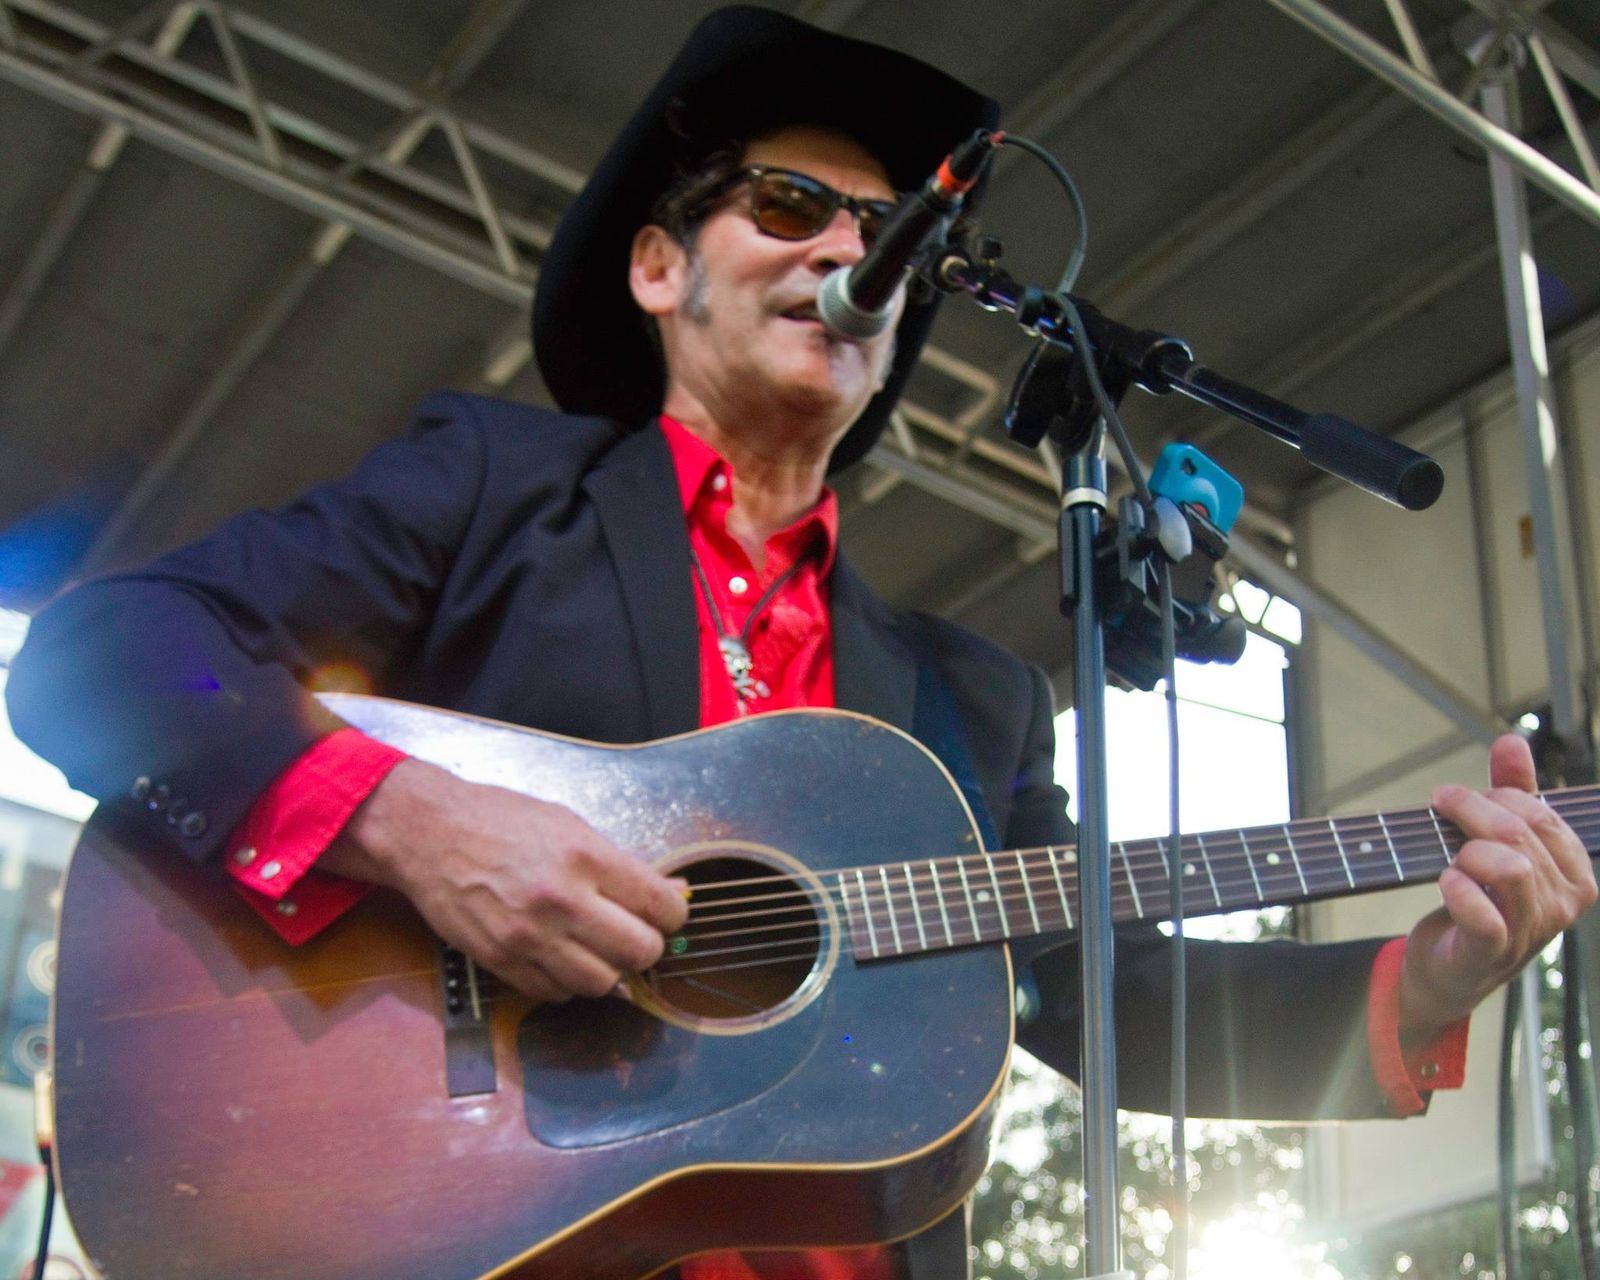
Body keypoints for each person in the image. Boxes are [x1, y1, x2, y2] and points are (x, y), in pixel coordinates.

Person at [7, 8, 1594, 1279]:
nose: (846, 251)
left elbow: (1115, 1003)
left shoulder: (971, 701)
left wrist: (1433, 974)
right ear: (658, 267)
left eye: (885, 231)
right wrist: (417, 825)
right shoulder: (498, 489)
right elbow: (104, 655)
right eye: (788, 206)